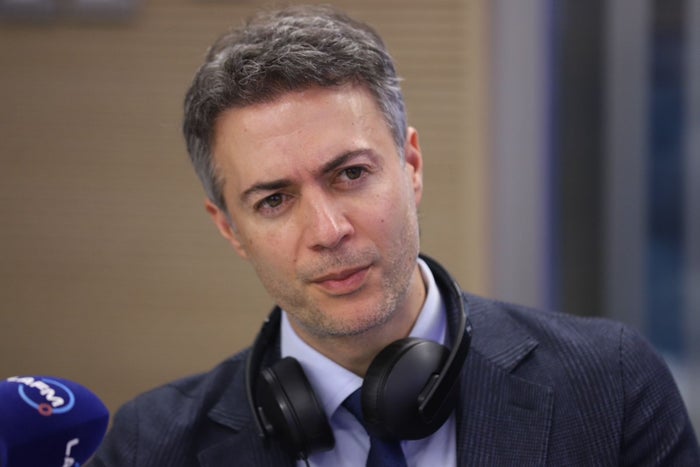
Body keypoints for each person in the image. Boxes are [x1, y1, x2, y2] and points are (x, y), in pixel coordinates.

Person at [88, 5, 699, 466]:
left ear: (411, 166)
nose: (329, 231)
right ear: (230, 228)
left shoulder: (611, 383)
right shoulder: (150, 445)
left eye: (351, 174)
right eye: (274, 200)